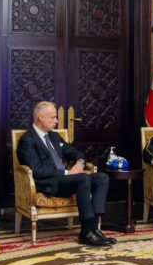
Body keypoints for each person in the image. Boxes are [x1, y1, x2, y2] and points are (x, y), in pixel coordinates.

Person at [16, 101, 113, 247]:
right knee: (83, 179)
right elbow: (37, 170)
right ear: (41, 118)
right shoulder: (27, 140)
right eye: (53, 117)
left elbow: (75, 152)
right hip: (49, 183)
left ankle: (94, 227)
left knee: (102, 178)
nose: (56, 121)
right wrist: (67, 172)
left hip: (67, 181)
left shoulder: (54, 137)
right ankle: (86, 232)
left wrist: (80, 162)